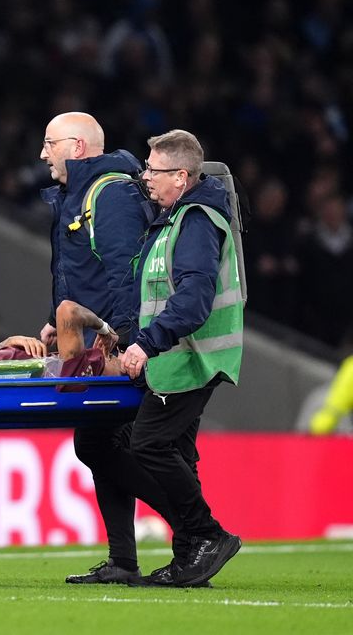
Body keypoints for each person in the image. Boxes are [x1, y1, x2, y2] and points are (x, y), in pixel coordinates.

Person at [39, 112, 160, 586]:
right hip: (101, 340)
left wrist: (128, 341)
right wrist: (55, 321)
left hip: (123, 346)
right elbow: (81, 273)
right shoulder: (83, 196)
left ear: (78, 147)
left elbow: (125, 275)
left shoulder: (108, 195)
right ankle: (125, 559)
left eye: (49, 144)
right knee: (102, 443)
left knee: (99, 443)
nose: (42, 154)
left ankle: (197, 527)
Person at [119, 129, 244, 587]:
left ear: (182, 176)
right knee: (177, 454)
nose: (145, 176)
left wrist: (146, 343)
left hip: (190, 357)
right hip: (176, 356)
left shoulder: (195, 220)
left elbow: (192, 301)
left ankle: (208, 535)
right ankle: (192, 556)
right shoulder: (174, 219)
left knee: (148, 444)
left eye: (153, 169)